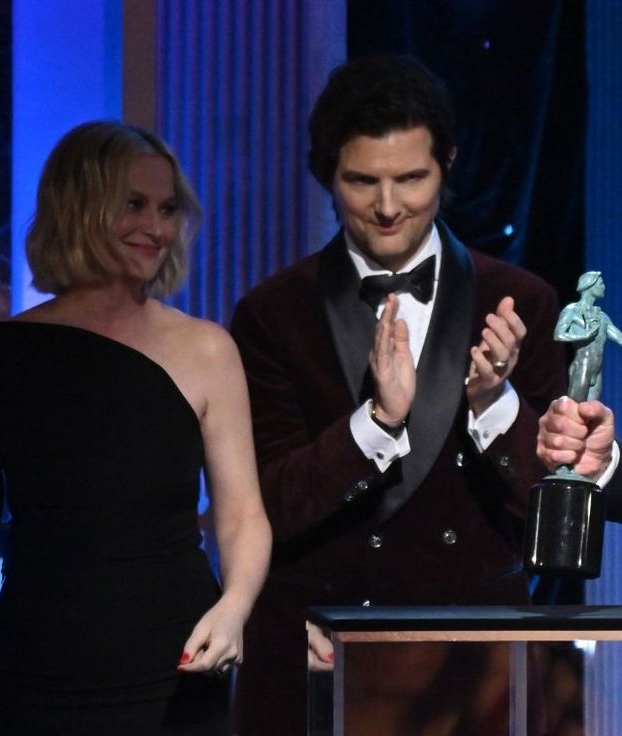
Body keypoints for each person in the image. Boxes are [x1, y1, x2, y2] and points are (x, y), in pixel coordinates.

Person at [230, 54, 571, 735]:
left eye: (411, 178)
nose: (388, 207)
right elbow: (263, 505)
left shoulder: (522, 301)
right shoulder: (272, 314)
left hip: (474, 669)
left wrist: (495, 406)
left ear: (447, 163)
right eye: (362, 181)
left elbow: (554, 520)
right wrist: (376, 422)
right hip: (316, 658)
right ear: (327, 172)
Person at [0, 121, 271, 736]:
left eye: (167, 209)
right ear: (78, 206)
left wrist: (235, 606)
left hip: (179, 664)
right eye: (132, 204)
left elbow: (241, 514)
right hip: (42, 668)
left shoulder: (208, 349)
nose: (156, 228)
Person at [554, 271, 622, 402]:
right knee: (575, 412)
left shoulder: (602, 317)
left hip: (597, 370)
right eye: (601, 284)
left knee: (591, 414)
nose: (604, 287)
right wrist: (584, 335)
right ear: (590, 285)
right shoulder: (572, 311)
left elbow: (619, 337)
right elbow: (558, 334)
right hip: (582, 365)